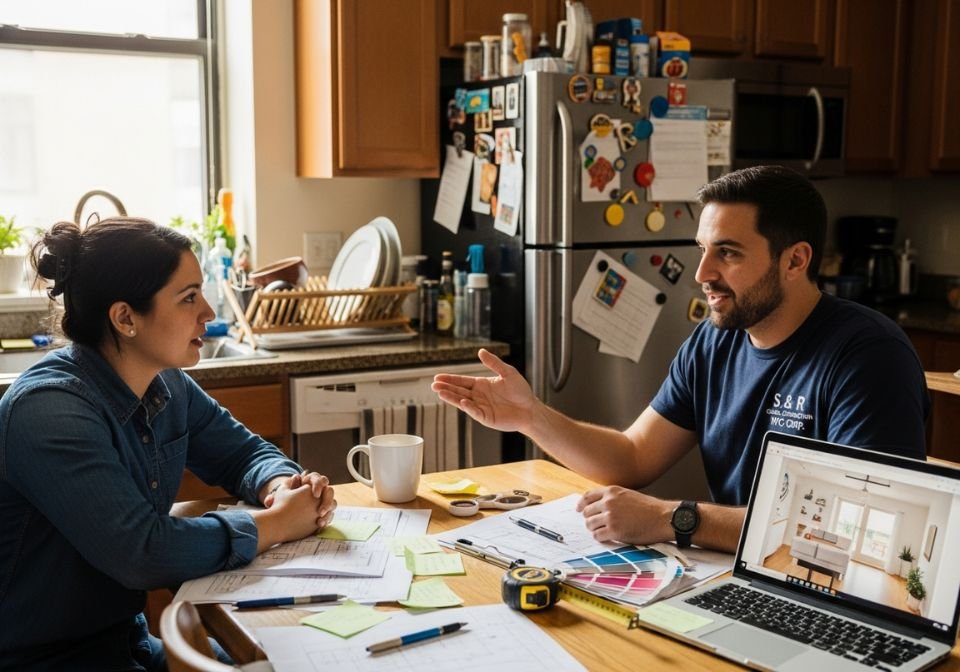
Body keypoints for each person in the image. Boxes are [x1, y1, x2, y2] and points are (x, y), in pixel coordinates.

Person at [432, 165, 929, 555]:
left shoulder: (868, 356)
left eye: (728, 254)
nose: (703, 273)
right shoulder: (712, 343)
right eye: (702, 250)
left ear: (795, 260)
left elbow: (855, 528)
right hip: (730, 573)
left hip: (820, 589)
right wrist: (530, 416)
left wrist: (672, 518)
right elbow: (632, 457)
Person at [0, 218, 337, 670]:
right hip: (40, 660)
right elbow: (142, 551)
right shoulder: (49, 412)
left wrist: (279, 485)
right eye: (189, 298)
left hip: (124, 642)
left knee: (283, 661)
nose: (209, 313)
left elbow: (242, 453)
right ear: (125, 318)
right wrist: (276, 524)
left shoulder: (165, 382)